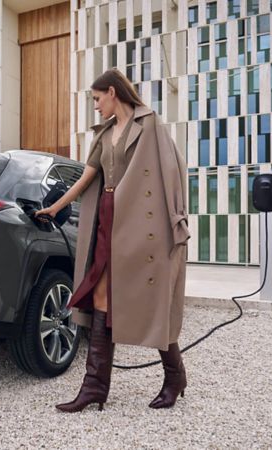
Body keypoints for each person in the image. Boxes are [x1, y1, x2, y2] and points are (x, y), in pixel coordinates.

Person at [35, 69, 190, 412]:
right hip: (108, 219)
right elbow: (86, 178)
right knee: (101, 295)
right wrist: (54, 207)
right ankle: (94, 388)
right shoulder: (104, 135)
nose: (95, 107)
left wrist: (178, 221)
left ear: (111, 92)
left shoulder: (149, 124)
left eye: (96, 99)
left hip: (143, 225)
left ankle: (174, 375)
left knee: (153, 303)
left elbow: (172, 172)